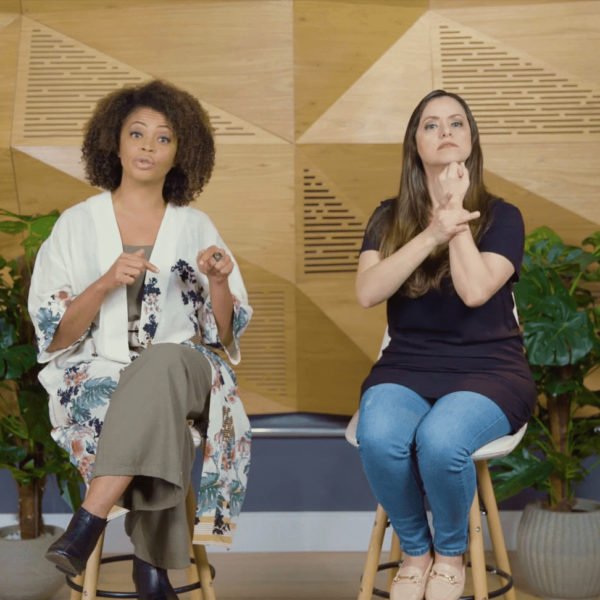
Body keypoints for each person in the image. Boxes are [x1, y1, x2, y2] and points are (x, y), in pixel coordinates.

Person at [28, 79, 252, 599]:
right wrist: (104, 282)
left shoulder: (195, 226)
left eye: (163, 137)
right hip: (97, 369)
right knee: (157, 415)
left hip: (187, 368)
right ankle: (152, 573)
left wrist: (219, 281)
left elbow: (223, 335)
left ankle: (88, 519)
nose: (148, 146)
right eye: (137, 133)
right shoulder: (75, 226)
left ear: (181, 152)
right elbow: (54, 335)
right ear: (115, 141)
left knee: (163, 363)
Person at [355, 89, 535, 600]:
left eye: (457, 123)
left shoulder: (503, 217)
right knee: (379, 434)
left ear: (472, 139)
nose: (446, 132)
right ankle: (417, 552)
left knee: (440, 441)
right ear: (415, 144)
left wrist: (455, 214)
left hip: (490, 371)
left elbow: (475, 291)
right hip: (407, 367)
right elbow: (368, 292)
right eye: (431, 125)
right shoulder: (388, 218)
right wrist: (432, 232)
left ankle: (450, 555)